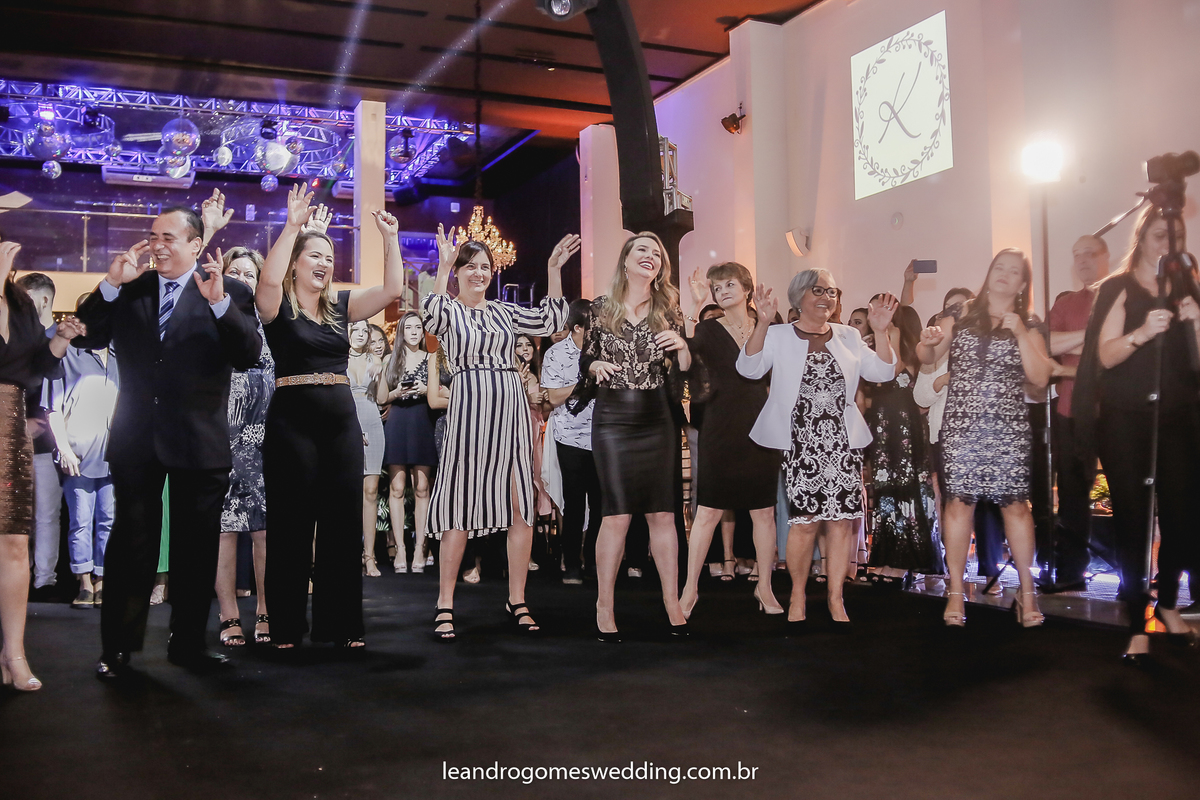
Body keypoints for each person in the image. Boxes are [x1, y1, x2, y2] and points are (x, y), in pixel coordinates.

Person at [75, 206, 262, 679]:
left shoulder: (229, 290)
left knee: (196, 551)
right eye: (153, 236)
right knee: (131, 546)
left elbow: (249, 354)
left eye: (168, 237)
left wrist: (219, 304)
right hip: (137, 438)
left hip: (199, 440)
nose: (157, 245)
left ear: (196, 245)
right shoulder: (131, 287)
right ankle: (118, 647)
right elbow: (84, 336)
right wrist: (110, 283)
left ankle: (188, 645)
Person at [257, 184, 404, 649]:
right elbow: (266, 282)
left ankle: (339, 626)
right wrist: (292, 227)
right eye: (315, 256)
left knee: (341, 526)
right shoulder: (277, 307)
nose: (324, 263)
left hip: (341, 424)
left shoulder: (341, 306)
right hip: (291, 424)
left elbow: (393, 290)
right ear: (296, 263)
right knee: (291, 526)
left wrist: (391, 240)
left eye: (329, 257)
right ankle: (285, 626)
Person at [423, 225, 576, 640]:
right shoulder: (450, 309)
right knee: (458, 504)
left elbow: (551, 319)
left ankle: (517, 599)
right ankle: (444, 603)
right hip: (469, 410)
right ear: (458, 272)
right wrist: (442, 266)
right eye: (470, 266)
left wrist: (553, 269)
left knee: (520, 502)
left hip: (510, 410)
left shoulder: (505, 311)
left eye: (485, 267)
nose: (479, 273)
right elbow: (431, 318)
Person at [1074, 208, 1199, 663]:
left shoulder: (1188, 287)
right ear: (1142, 236)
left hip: (1179, 418)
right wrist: (1143, 333)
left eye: (1176, 236)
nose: (1168, 243)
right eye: (1161, 234)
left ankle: (1168, 604)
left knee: (1183, 517)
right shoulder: (1118, 287)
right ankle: (1135, 621)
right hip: (1126, 421)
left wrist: (1196, 321)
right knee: (1134, 521)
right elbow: (1103, 356)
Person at [738, 270, 897, 628]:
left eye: (832, 291)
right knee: (805, 522)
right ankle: (797, 593)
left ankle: (835, 596)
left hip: (842, 442)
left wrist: (882, 331)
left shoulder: (848, 336)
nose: (827, 297)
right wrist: (762, 323)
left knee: (841, 523)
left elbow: (884, 372)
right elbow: (748, 368)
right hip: (800, 442)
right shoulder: (778, 334)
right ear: (799, 297)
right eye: (818, 290)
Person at [917, 249, 1054, 628]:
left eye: (1014, 272)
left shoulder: (1030, 324)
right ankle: (955, 591)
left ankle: (1027, 593)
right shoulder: (961, 314)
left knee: (1017, 508)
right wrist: (927, 341)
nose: (1005, 275)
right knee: (958, 506)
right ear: (989, 273)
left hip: (1008, 428)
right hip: (961, 427)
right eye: (999, 268)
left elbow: (1040, 378)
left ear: (1023, 284)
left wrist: (1020, 332)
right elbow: (926, 356)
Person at [581, 233, 691, 642]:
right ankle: (604, 604)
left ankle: (671, 601)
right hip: (612, 418)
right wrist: (594, 367)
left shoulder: (669, 309)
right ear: (625, 261)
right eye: (642, 250)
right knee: (617, 514)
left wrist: (683, 346)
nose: (651, 256)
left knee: (663, 514)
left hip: (657, 417)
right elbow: (586, 358)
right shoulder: (600, 308)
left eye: (656, 253)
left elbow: (685, 368)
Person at [0, 239, 83, 691]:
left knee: (15, 542)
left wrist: (60, 340)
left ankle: (14, 653)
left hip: (8, 427)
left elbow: (39, 368)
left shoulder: (19, 304)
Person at [679, 262, 783, 618]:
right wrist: (695, 306)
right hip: (719, 425)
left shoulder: (771, 326)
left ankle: (764, 586)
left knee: (763, 511)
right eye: (717, 288)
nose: (722, 292)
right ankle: (689, 589)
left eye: (729, 285)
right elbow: (685, 358)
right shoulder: (708, 329)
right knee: (708, 510)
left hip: (762, 424)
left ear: (746, 289)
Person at [44, 293, 119, 611]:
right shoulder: (68, 354)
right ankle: (84, 582)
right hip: (78, 451)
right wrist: (63, 448)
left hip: (114, 453)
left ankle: (102, 579)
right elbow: (52, 406)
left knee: (109, 520)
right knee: (80, 520)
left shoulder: (119, 353)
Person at [1042, 235, 1110, 590]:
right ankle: (1072, 574)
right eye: (1076, 254)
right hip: (1070, 411)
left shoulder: (1121, 296)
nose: (1082, 260)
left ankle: (1134, 579)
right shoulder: (1067, 303)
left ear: (1106, 256)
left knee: (1129, 495)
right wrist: (1094, 336)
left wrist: (1076, 343)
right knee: (1071, 497)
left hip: (1119, 410)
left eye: (1089, 253)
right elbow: (1045, 344)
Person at [214, 247, 273, 646]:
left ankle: (266, 610)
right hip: (220, 439)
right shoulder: (212, 319)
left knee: (264, 531)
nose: (242, 278)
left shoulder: (272, 322)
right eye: (234, 271)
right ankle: (229, 614)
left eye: (249, 273)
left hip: (266, 440)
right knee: (225, 530)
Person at [863, 302, 941, 585]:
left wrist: (888, 337)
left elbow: (892, 371)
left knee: (905, 491)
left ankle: (904, 562)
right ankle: (888, 558)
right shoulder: (881, 346)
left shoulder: (910, 351)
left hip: (904, 428)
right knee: (886, 492)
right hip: (883, 427)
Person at [541, 299, 600, 585]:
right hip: (569, 436)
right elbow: (552, 397)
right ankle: (572, 564)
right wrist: (584, 381)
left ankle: (594, 561)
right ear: (577, 327)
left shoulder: (603, 351)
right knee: (574, 503)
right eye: (592, 327)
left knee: (602, 504)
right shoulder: (555, 354)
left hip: (603, 436)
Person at [378, 311, 437, 574]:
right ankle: (400, 548)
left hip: (423, 420)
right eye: (408, 327)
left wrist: (426, 390)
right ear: (401, 331)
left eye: (418, 327)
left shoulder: (432, 357)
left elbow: (440, 392)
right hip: (398, 420)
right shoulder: (390, 359)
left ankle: (420, 547)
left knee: (422, 487)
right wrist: (396, 392)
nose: (413, 332)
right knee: (397, 487)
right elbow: (381, 398)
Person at [15, 273, 60, 597]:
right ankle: (20, 577)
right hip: (12, 440)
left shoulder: (63, 340)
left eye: (25, 298)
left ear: (44, 300)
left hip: (49, 445)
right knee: (16, 517)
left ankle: (44, 579)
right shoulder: (16, 338)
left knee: (46, 514)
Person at [347, 319, 386, 577]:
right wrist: (351, 427)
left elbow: (382, 398)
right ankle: (346, 555)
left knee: (370, 491)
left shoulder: (375, 360)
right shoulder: (339, 359)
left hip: (372, 420)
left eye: (365, 330)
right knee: (346, 494)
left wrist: (380, 370)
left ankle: (369, 556)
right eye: (356, 329)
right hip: (347, 422)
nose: (361, 334)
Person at [516, 332, 552, 525]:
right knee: (522, 486)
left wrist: (545, 402)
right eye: (519, 345)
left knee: (537, 484)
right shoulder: (511, 375)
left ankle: (535, 534)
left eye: (528, 344)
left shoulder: (540, 373)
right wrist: (527, 399)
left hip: (537, 434)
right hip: (518, 433)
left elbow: (546, 411)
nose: (524, 348)